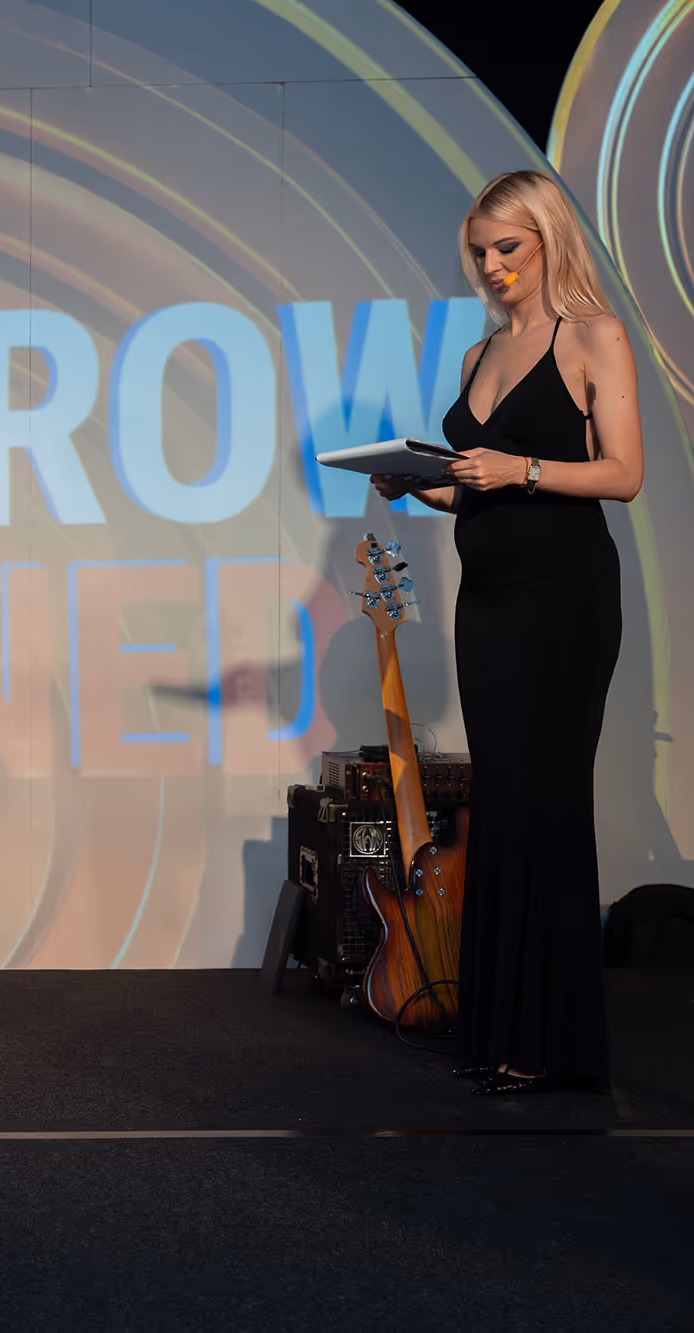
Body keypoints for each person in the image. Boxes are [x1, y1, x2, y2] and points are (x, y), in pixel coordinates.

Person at [374, 169, 643, 1095]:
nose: (492, 267)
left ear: (548, 240)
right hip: (487, 599)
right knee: (503, 802)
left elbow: (622, 474)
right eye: (480, 253)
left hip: (564, 595)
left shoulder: (594, 336)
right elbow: (471, 488)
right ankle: (497, 1028)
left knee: (546, 802)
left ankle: (549, 1041)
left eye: (508, 249)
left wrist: (520, 465)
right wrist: (421, 480)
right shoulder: (477, 355)